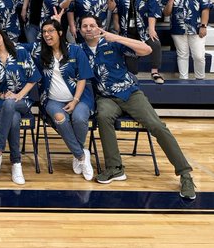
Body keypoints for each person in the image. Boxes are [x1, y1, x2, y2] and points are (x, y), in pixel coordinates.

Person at [79, 15, 198, 200]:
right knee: (103, 117)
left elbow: (147, 49)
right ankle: (115, 168)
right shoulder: (79, 50)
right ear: (79, 30)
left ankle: (185, 174)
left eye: (92, 25)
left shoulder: (112, 43)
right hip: (106, 98)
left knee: (157, 126)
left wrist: (116, 37)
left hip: (130, 94)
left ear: (99, 28)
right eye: (84, 26)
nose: (88, 29)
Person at [0, 23, 39, 185]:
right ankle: (16, 163)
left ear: (0, 32)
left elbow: (33, 78)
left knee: (12, 104)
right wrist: (1, 95)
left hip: (23, 100)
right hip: (0, 102)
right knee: (12, 115)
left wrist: (18, 95)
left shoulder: (20, 51)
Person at [35, 19, 95, 180]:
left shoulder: (75, 50)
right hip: (52, 100)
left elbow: (83, 78)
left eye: (50, 31)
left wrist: (75, 100)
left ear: (60, 33)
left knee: (80, 117)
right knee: (60, 118)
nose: (47, 34)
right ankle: (81, 156)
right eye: (44, 32)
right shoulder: (40, 54)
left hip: (80, 98)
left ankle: (77, 154)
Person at [108, 0, 165, 83]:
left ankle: (154, 72)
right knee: (132, 70)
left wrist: (152, 29)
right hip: (127, 33)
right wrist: (110, 0)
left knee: (155, 43)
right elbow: (113, 9)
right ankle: (131, 75)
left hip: (142, 31)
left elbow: (152, 13)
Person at [163, 0, 212, 80]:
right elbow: (166, 13)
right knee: (182, 55)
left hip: (196, 28)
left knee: (199, 56)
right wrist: (170, 1)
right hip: (177, 29)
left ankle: (200, 79)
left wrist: (203, 26)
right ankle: (183, 80)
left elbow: (205, 8)